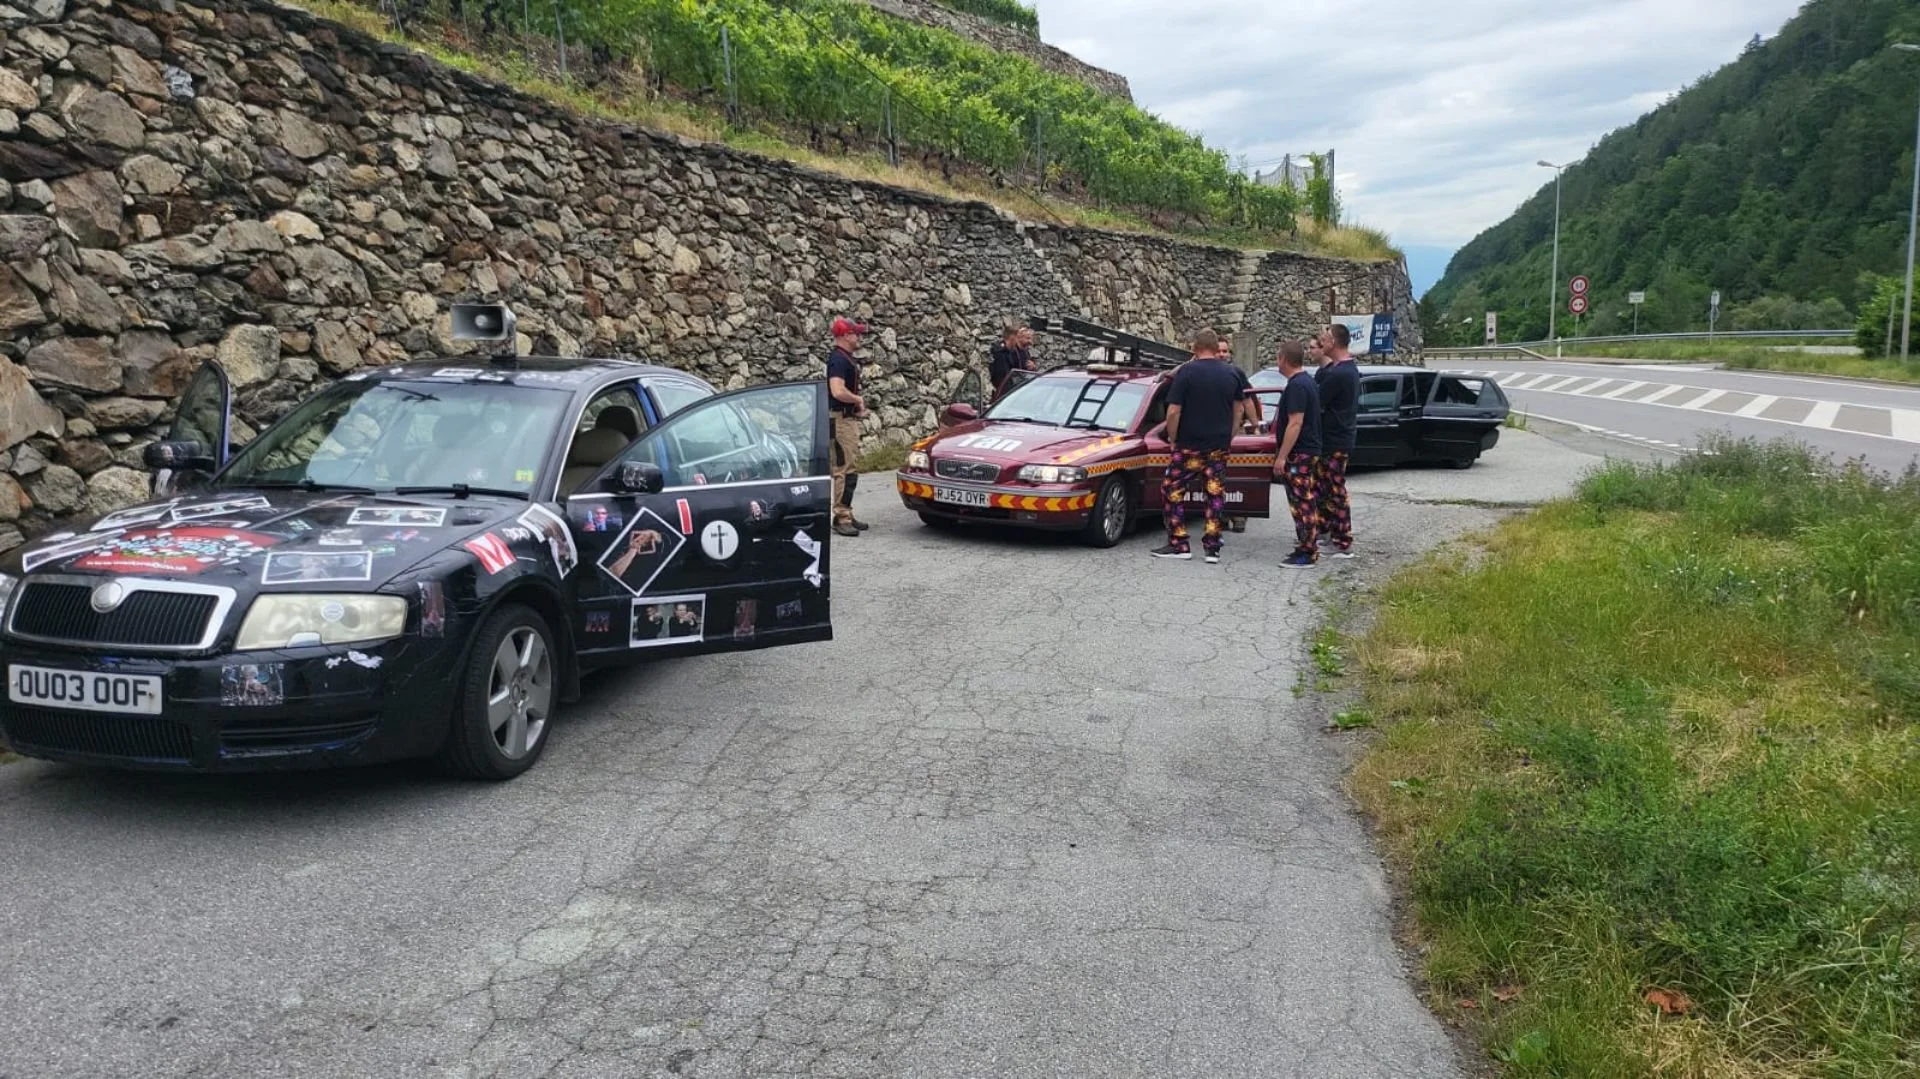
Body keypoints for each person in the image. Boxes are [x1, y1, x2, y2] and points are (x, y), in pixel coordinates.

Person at [1153, 328, 1255, 564]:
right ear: (1214, 348)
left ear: (1194, 349)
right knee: (1215, 493)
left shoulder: (1187, 373)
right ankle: (1212, 547)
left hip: (1189, 445)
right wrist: (1228, 437)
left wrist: (1172, 438)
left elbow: (1174, 410)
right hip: (1218, 446)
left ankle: (1179, 543)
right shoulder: (1232, 373)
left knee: (1172, 490)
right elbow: (1239, 409)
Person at [1269, 340, 1323, 567]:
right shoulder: (1305, 382)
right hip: (1306, 450)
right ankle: (1304, 544)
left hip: (1300, 453)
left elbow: (1295, 423)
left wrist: (1282, 456)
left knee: (1302, 502)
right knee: (1302, 501)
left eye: (1277, 356)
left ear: (1283, 359)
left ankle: (1308, 552)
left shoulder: (1298, 386)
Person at [1314, 324, 1360, 558]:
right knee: (1325, 488)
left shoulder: (1340, 373)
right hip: (1334, 438)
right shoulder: (1341, 369)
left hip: (1335, 440)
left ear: (1334, 341)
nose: (1321, 341)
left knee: (1335, 490)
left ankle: (1343, 540)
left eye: (1325, 337)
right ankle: (1328, 531)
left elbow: (1316, 401)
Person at [827, 317, 871, 538]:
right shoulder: (838, 359)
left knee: (850, 467)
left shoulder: (845, 358)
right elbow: (836, 390)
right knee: (842, 468)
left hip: (847, 419)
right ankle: (840, 516)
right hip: (841, 420)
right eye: (856, 333)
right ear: (845, 335)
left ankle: (846, 511)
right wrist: (857, 400)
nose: (859, 337)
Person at [988, 321, 1035, 401]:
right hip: (1004, 396)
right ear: (1012, 337)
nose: (1018, 341)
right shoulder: (1001, 353)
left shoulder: (1010, 352)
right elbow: (1002, 379)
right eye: (1017, 337)